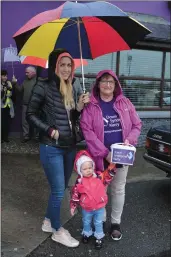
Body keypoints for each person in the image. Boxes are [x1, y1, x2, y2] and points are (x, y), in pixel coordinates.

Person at [26, 48, 90, 248]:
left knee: (60, 188)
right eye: (62, 65)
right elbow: (30, 114)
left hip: (69, 146)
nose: (66, 68)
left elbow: (70, 120)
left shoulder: (70, 86)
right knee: (58, 191)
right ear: (54, 66)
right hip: (51, 146)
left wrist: (79, 107)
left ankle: (47, 221)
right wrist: (49, 130)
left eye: (69, 65)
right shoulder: (42, 86)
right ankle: (57, 230)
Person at [80, 70, 142, 241]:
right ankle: (101, 220)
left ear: (116, 85)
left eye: (111, 82)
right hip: (101, 158)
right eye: (104, 81)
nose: (108, 85)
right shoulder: (91, 106)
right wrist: (105, 153)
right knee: (100, 190)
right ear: (98, 84)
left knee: (118, 189)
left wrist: (129, 140)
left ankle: (115, 223)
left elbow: (137, 124)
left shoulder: (125, 103)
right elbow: (87, 131)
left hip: (122, 157)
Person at [70, 150, 116, 249]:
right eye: (85, 169)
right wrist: (73, 206)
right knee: (86, 221)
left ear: (93, 167)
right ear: (79, 170)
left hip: (99, 207)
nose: (88, 170)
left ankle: (99, 237)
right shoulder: (79, 182)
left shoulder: (99, 177)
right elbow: (75, 195)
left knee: (98, 223)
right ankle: (87, 233)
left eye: (90, 167)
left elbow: (108, 176)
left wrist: (111, 167)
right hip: (87, 208)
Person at [12, 66, 38, 142]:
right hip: (25, 105)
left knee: (36, 121)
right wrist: (15, 83)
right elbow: (19, 90)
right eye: (26, 72)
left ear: (33, 73)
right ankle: (26, 136)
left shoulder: (38, 81)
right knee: (25, 122)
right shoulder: (25, 81)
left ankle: (36, 137)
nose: (26, 74)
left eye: (27, 72)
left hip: (35, 105)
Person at [1, 70, 15, 143]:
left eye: (6, 76)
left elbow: (12, 94)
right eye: (3, 76)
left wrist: (13, 84)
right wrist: (3, 91)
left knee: (6, 123)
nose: (5, 77)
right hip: (1, 106)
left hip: (7, 106)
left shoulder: (9, 83)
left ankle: (5, 137)